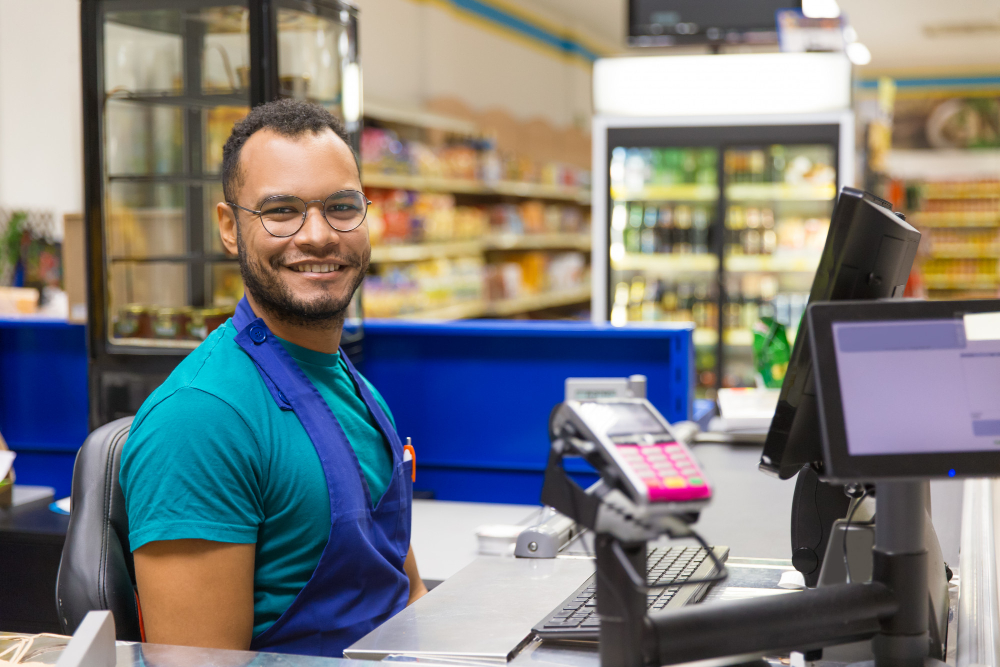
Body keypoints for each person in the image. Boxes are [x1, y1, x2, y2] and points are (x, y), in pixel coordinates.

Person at [120, 99, 427, 658]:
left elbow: (406, 593)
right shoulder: (200, 420)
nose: (318, 235)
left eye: (341, 206)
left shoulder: (353, 386)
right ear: (229, 228)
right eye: (281, 211)